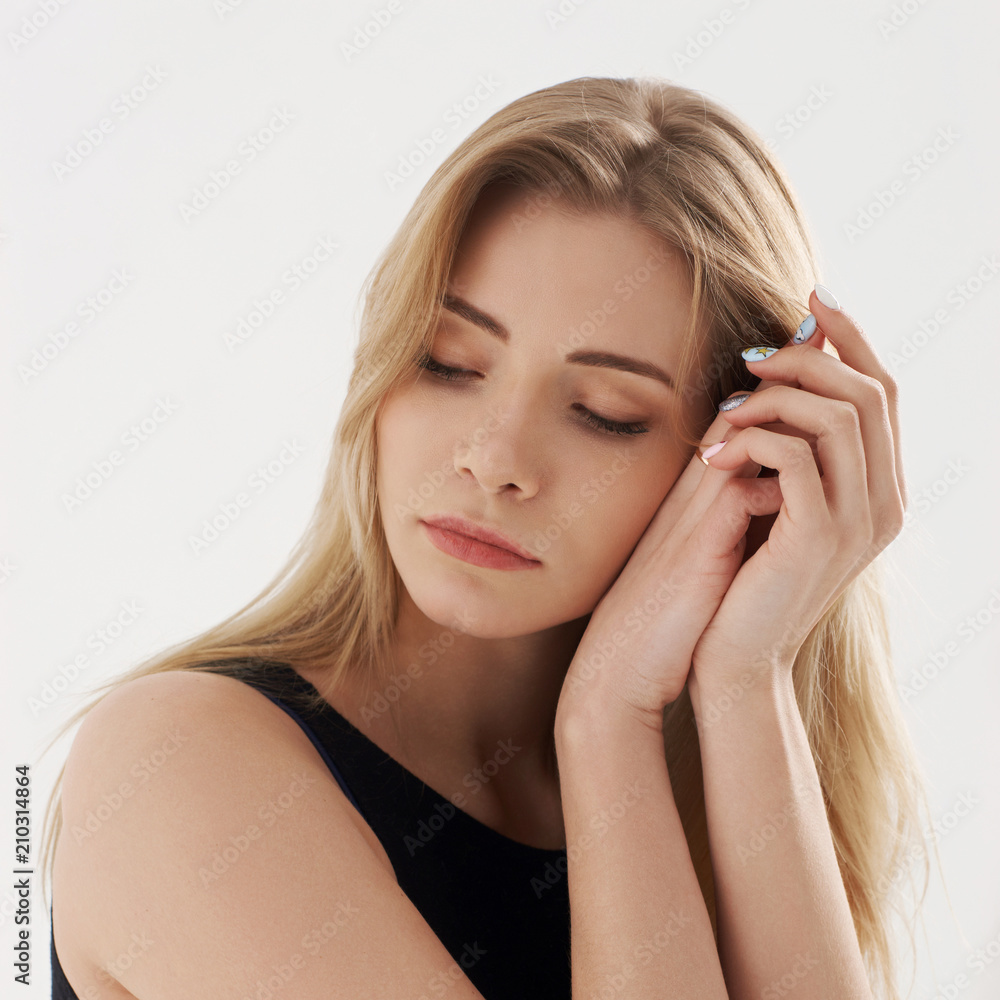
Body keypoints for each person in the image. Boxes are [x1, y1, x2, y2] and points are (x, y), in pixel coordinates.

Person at [41, 75, 932, 999]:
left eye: (604, 413)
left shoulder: (728, 800)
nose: (494, 457)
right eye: (449, 362)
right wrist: (608, 720)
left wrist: (746, 677)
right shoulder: (179, 766)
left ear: (744, 458)